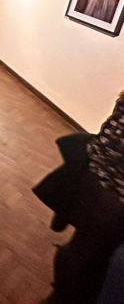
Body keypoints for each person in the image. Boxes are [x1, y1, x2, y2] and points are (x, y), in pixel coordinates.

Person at [34, 90, 124, 304]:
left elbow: (105, 146)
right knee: (89, 259)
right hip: (110, 195)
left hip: (105, 190)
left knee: (86, 256)